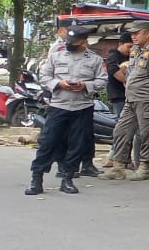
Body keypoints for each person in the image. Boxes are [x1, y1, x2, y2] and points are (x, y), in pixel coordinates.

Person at [24, 26, 106, 197]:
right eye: (68, 40)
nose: (69, 44)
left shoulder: (95, 60)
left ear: (84, 42)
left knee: (77, 145)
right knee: (48, 143)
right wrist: (59, 84)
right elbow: (44, 77)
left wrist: (85, 85)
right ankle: (36, 179)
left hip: (82, 107)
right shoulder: (56, 56)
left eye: (73, 42)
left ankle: (67, 179)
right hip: (58, 106)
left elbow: (102, 80)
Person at [104, 20, 149, 181]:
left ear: (147, 33)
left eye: (137, 33)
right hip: (130, 98)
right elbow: (131, 71)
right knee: (120, 131)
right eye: (132, 34)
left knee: (146, 134)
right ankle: (118, 166)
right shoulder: (135, 50)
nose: (133, 36)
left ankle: (144, 166)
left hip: (147, 99)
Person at [103, 33, 131, 116]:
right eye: (129, 46)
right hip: (119, 96)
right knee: (122, 120)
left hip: (131, 95)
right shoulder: (113, 57)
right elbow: (118, 75)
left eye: (133, 47)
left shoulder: (131, 57)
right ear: (120, 44)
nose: (131, 50)